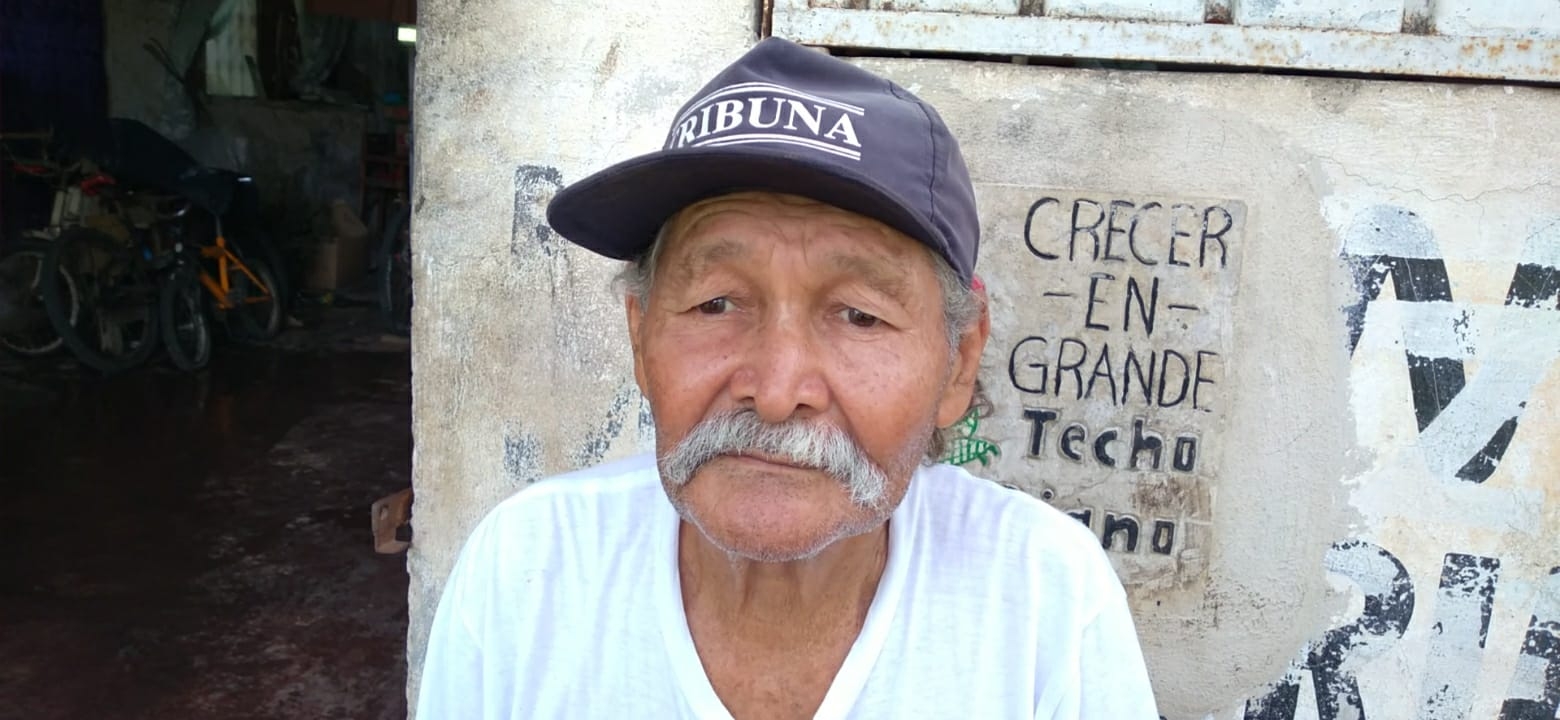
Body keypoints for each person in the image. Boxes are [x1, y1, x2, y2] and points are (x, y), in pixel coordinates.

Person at [417, 37, 1159, 719]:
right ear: (641, 337)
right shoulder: (526, 572)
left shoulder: (1046, 602)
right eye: (715, 303)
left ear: (959, 360)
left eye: (859, 316)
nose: (775, 393)